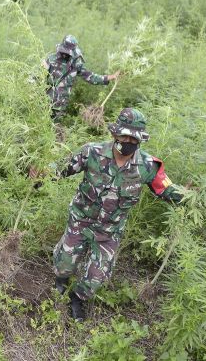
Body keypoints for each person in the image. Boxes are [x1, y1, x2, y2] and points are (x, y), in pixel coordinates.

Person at [50, 108, 186, 321]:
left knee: (97, 278)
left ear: (140, 139)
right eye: (124, 135)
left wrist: (190, 198)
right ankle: (62, 278)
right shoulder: (91, 152)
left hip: (109, 231)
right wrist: (39, 172)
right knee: (63, 266)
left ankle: (78, 297)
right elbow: (58, 170)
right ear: (115, 133)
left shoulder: (148, 166)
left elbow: (166, 190)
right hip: (81, 220)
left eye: (133, 137)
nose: (128, 140)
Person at [43, 34, 120, 121]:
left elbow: (90, 77)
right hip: (45, 101)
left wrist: (110, 77)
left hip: (60, 105)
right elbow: (38, 77)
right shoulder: (50, 59)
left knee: (54, 128)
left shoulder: (75, 64)